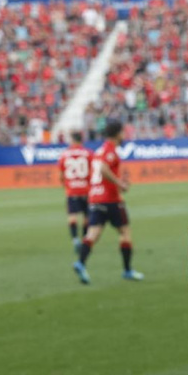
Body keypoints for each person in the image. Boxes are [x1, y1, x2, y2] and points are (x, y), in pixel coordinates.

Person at [73, 120, 143, 284]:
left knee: (93, 233)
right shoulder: (111, 151)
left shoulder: (99, 150)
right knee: (125, 233)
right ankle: (127, 270)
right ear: (118, 133)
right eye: (123, 132)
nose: (124, 135)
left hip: (95, 198)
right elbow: (104, 169)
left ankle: (81, 263)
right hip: (111, 200)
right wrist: (120, 184)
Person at [58, 131, 93, 253]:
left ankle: (75, 239)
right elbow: (94, 171)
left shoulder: (65, 154)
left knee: (72, 215)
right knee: (87, 216)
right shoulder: (88, 153)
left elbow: (61, 175)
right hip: (86, 189)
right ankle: (85, 240)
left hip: (72, 190)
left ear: (72, 140)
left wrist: (66, 186)